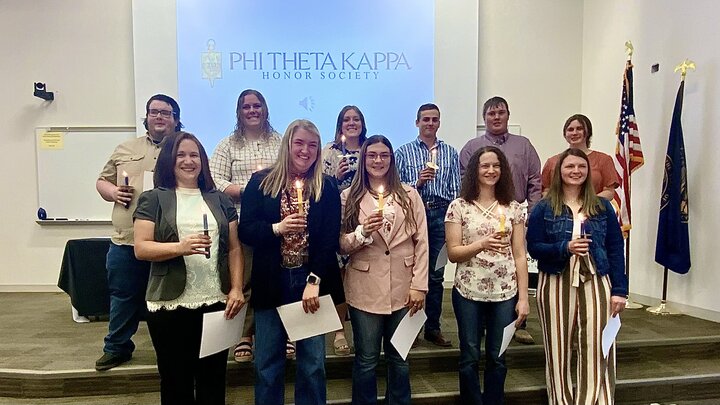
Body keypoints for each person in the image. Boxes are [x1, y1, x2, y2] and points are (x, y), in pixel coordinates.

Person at [133, 131, 246, 404]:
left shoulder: (220, 199)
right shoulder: (153, 199)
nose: (188, 161)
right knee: (176, 381)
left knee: (213, 379)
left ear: (203, 160)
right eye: (180, 155)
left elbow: (234, 248)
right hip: (169, 304)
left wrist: (237, 288)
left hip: (216, 301)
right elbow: (141, 248)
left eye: (194, 155)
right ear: (169, 160)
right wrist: (179, 248)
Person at [239, 119, 343, 405]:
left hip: (309, 281)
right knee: (268, 364)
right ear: (287, 144)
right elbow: (245, 229)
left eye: (312, 145)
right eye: (299, 143)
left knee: (312, 363)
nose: (305, 151)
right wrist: (277, 228)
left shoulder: (327, 187)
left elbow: (328, 240)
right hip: (272, 280)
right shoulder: (261, 182)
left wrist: (314, 280)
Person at [527, 148, 627, 405]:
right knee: (558, 348)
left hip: (596, 280)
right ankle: (561, 400)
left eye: (581, 167)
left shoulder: (603, 207)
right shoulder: (544, 207)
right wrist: (564, 248)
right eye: (569, 167)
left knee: (597, 346)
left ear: (589, 172)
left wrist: (620, 290)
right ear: (559, 172)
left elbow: (616, 249)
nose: (576, 171)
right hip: (556, 281)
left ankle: (595, 400)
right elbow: (534, 247)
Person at [94, 94, 182, 371]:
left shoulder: (186, 148)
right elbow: (101, 181)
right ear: (146, 117)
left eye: (166, 113)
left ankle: (171, 351)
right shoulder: (125, 148)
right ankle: (117, 347)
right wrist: (111, 191)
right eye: (154, 112)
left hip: (170, 241)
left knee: (171, 300)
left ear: (176, 119)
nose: (159, 117)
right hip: (127, 240)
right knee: (124, 295)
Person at [339, 135, 428, 405]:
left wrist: (419, 286)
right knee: (366, 360)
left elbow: (422, 241)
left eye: (384, 155)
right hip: (365, 288)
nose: (378, 160)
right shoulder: (349, 196)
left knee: (399, 358)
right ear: (364, 160)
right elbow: (341, 245)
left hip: (405, 287)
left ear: (392, 160)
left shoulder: (410, 194)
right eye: (372, 155)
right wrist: (362, 233)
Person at [445, 146, 530, 404]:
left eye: (496, 166)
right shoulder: (459, 207)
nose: (491, 170)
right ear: (475, 170)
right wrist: (482, 244)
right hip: (468, 291)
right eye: (485, 166)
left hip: (504, 292)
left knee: (497, 355)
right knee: (469, 354)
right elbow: (453, 253)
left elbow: (519, 255)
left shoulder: (513, 208)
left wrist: (524, 298)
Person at [459, 96, 541, 345]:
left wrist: (532, 213)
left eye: (501, 113)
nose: (496, 117)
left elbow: (536, 180)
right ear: (484, 118)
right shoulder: (472, 147)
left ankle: (518, 323)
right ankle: (483, 324)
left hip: (514, 216)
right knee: (479, 266)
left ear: (508, 115)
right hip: (480, 214)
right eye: (491, 113)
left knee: (515, 265)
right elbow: (464, 180)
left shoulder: (524, 145)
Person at [209, 89, 282, 363]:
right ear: (239, 112)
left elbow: (291, 171)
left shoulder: (280, 141)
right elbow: (213, 178)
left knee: (275, 279)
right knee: (244, 281)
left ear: (265, 109)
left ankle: (281, 333)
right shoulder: (228, 145)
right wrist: (243, 190)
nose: (252, 111)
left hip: (277, 221)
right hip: (241, 222)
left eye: (257, 105)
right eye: (246, 107)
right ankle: (244, 335)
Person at [395, 103, 460, 348]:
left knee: (435, 275)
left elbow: (455, 191)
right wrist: (417, 181)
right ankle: (410, 330)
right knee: (409, 273)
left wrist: (453, 222)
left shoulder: (450, 153)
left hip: (440, 215)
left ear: (439, 123)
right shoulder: (403, 152)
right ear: (417, 123)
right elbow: (397, 188)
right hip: (412, 214)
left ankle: (432, 327)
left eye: (434, 120)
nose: (430, 124)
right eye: (425, 120)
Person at [322, 105, 369, 357]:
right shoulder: (329, 151)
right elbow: (319, 186)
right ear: (340, 125)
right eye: (347, 119)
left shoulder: (370, 148)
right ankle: (339, 331)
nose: (352, 123)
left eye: (356, 119)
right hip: (337, 216)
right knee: (338, 275)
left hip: (366, 214)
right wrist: (335, 177)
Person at [541, 114, 619, 199]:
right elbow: (545, 190)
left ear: (588, 132)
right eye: (570, 130)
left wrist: (587, 205)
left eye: (579, 129)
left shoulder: (604, 160)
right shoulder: (552, 162)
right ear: (565, 134)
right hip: (559, 211)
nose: (574, 133)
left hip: (593, 210)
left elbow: (609, 191)